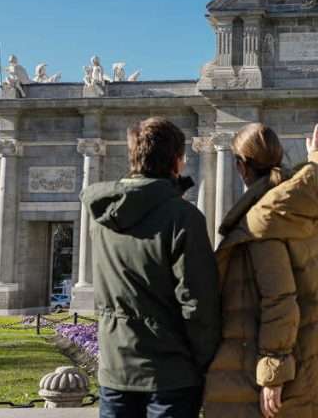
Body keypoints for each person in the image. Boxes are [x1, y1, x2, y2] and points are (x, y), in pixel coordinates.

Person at [204, 123, 318, 418]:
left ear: (241, 167)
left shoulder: (263, 219)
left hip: (298, 361)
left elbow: (279, 301)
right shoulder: (307, 198)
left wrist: (273, 374)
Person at [81, 117, 220, 418]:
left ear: (133, 156)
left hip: (115, 370)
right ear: (177, 161)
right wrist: (206, 362)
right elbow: (198, 305)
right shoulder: (184, 217)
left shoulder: (102, 217)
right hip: (171, 376)